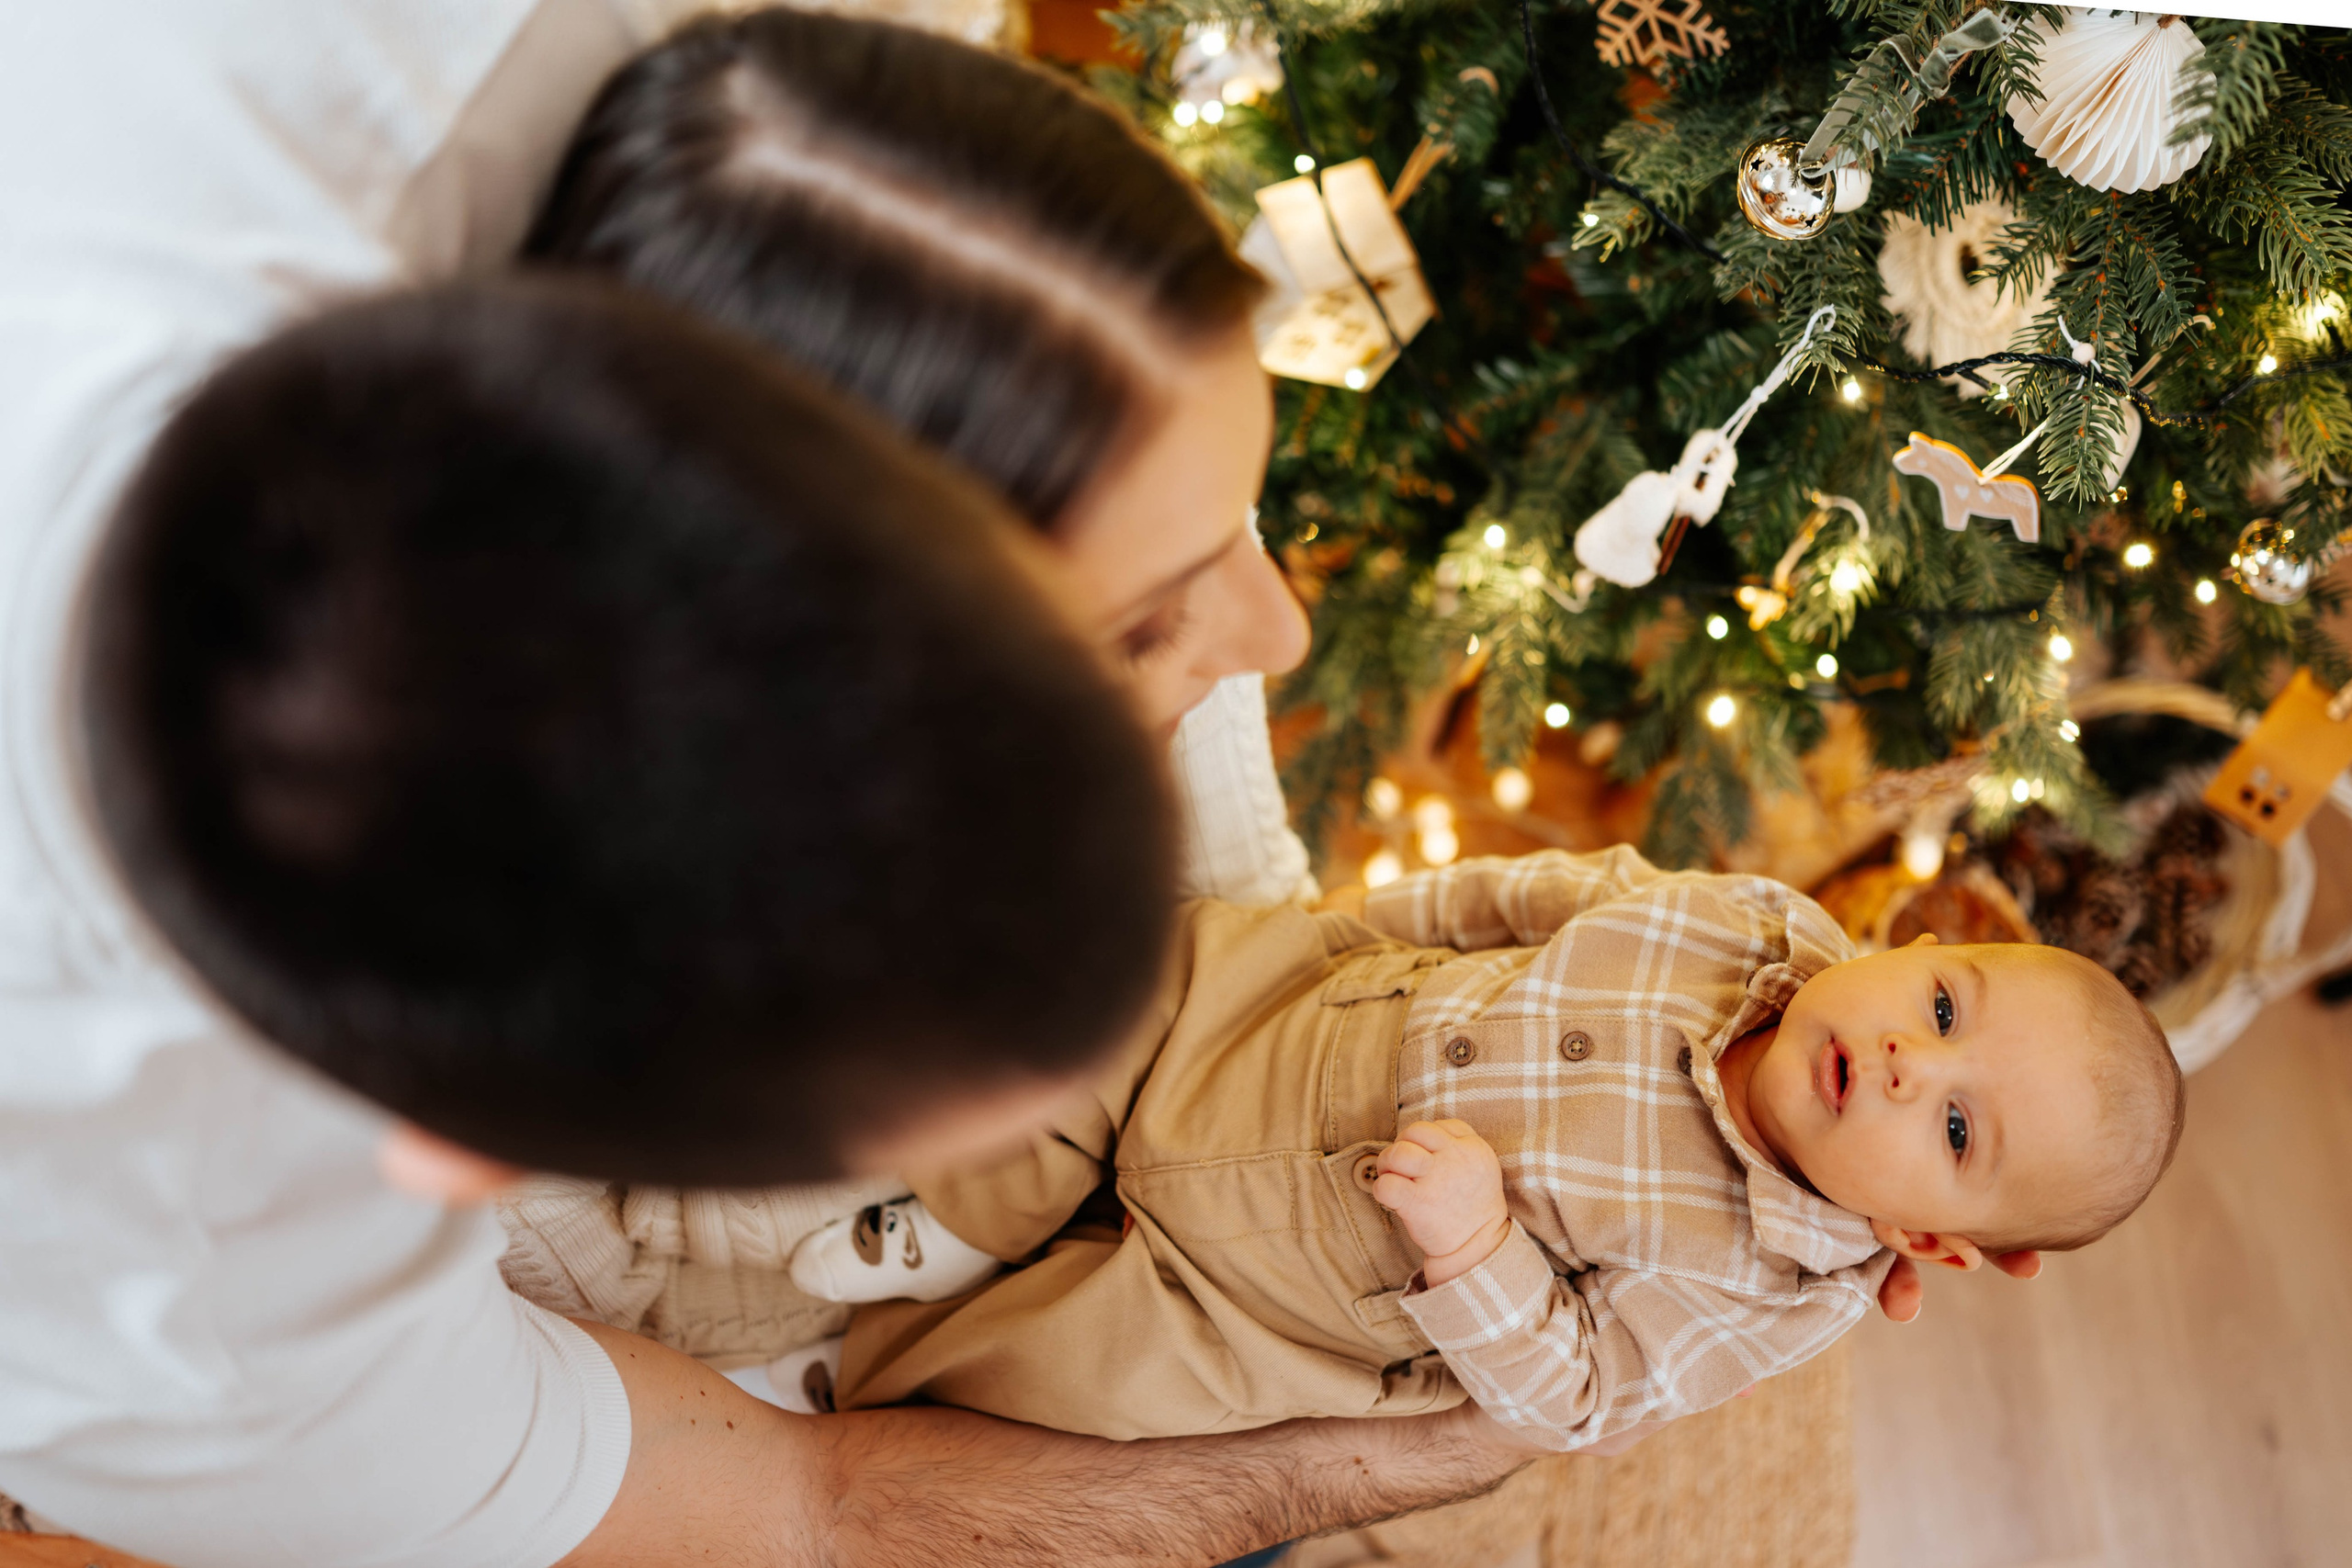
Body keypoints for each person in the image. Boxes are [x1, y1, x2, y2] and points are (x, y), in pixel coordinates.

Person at [795, 848, 2184, 1449]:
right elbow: (1535, 898)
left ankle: (853, 1373)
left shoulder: (1774, 1287)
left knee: (1083, 1389)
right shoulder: (1753, 923)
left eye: (1952, 1126)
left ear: (1928, 1243)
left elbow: (1583, 1394)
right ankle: (966, 1213)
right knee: (1118, 984)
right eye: (1943, 1010)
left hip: (1290, 1295)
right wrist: (1367, 925)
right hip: (1286, 1028)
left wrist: (1480, 1252)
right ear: (1926, 941)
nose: (1905, 1061)